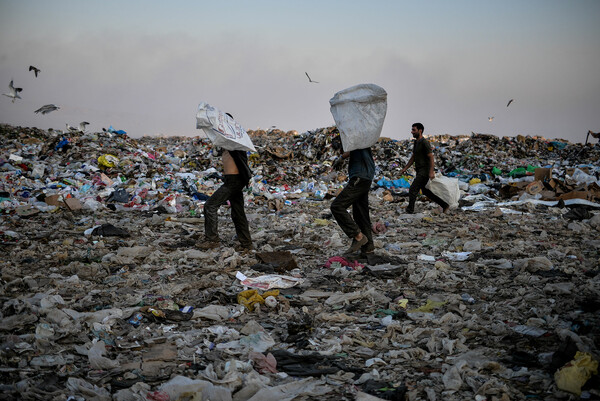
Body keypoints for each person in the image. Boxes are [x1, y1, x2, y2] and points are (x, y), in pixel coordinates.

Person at [199, 113, 253, 251]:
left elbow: (242, 161)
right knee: (238, 213)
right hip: (232, 179)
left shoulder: (234, 140)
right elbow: (217, 153)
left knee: (210, 206)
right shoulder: (226, 141)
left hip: (234, 181)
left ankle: (212, 240)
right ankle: (246, 244)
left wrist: (247, 178)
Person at [330, 138, 375, 256]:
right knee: (361, 213)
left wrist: (341, 158)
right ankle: (368, 248)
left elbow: (351, 146)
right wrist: (342, 158)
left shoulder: (357, 135)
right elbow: (351, 150)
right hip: (365, 177)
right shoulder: (361, 139)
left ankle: (358, 236)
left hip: (359, 177)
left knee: (337, 206)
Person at [399, 122, 449, 214]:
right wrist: (405, 168)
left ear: (420, 131)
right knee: (426, 192)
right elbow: (413, 157)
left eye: (414, 130)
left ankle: (410, 210)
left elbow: (431, 157)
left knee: (413, 189)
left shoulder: (424, 142)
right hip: (419, 170)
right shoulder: (416, 142)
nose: (411, 132)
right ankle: (444, 205)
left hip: (424, 171)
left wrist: (431, 172)